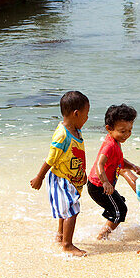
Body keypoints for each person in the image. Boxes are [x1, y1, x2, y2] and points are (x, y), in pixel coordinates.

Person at [30, 91, 90, 257]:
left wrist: (82, 174)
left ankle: (60, 234)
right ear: (76, 113)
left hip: (72, 179)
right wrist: (39, 177)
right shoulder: (62, 135)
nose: (87, 118)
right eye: (86, 115)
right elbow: (51, 158)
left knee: (67, 207)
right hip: (62, 179)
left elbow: (76, 154)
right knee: (72, 210)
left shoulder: (76, 130)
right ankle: (67, 245)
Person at [87, 104, 140, 240]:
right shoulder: (110, 145)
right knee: (120, 210)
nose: (127, 135)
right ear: (109, 129)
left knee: (118, 204)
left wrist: (132, 166)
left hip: (101, 185)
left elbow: (119, 159)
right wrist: (105, 182)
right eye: (122, 131)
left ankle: (106, 228)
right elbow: (100, 163)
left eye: (130, 130)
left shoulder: (116, 141)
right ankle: (103, 236)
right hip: (99, 186)